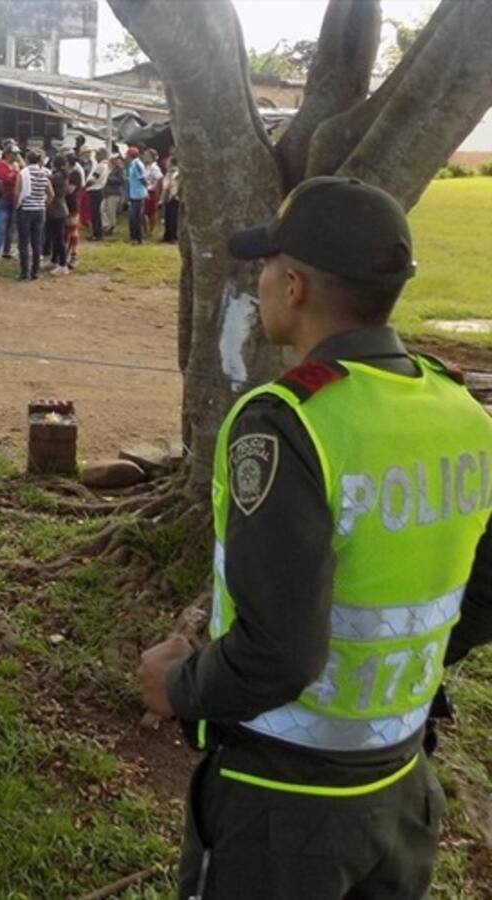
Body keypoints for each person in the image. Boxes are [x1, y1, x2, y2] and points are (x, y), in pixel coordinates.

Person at [136, 176, 492, 899]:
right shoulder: (460, 411)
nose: (262, 280)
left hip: (282, 810)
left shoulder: (289, 422)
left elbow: (279, 655)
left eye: (267, 266)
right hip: (402, 789)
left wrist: (177, 686)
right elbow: (482, 596)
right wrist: (405, 666)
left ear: (292, 285)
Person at [15, 149, 51, 281]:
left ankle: (24, 272)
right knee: (36, 242)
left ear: (28, 159)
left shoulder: (23, 173)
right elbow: (51, 193)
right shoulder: (44, 173)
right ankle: (35, 271)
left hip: (25, 209)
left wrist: (16, 205)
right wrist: (43, 204)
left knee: (23, 242)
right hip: (39, 210)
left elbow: (17, 192)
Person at [0, 147, 18, 262]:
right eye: (14, 153)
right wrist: (15, 172)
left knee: (11, 226)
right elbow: (5, 179)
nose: (16, 156)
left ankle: (7, 250)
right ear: (7, 154)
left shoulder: (15, 165)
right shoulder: (0, 165)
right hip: (3, 198)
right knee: (0, 225)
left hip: (13, 198)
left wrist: (15, 172)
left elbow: (18, 179)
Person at [45, 162, 70, 275]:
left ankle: (63, 264)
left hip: (57, 210)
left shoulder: (58, 177)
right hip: (57, 209)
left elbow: (45, 178)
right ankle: (54, 260)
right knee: (54, 237)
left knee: (59, 239)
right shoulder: (61, 175)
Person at [84, 148, 109, 241]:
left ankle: (97, 234)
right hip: (97, 190)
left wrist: (85, 186)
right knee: (95, 213)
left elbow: (93, 179)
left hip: (95, 190)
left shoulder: (101, 166)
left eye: (97, 154)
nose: (95, 156)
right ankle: (97, 233)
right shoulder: (103, 165)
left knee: (95, 214)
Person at [126, 147, 147, 245]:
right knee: (132, 217)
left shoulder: (137, 164)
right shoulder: (132, 164)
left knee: (136, 217)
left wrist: (145, 189)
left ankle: (137, 238)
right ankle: (133, 236)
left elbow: (142, 178)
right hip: (133, 193)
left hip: (138, 193)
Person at [103, 154, 126, 235]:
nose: (114, 161)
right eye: (113, 159)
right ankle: (108, 226)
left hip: (115, 192)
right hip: (107, 192)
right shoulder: (109, 169)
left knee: (111, 210)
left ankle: (112, 226)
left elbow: (121, 180)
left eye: (115, 159)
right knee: (106, 210)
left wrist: (108, 178)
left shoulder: (119, 170)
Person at [143, 148, 163, 235]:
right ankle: (145, 229)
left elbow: (159, 179)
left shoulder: (155, 168)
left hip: (152, 191)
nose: (145, 157)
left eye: (147, 155)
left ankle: (151, 230)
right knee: (144, 211)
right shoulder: (146, 167)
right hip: (145, 190)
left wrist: (157, 191)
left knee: (152, 211)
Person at [161, 156, 181, 243]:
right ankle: (167, 235)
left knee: (173, 218)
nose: (166, 164)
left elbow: (175, 185)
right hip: (168, 197)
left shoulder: (176, 173)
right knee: (167, 217)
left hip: (173, 197)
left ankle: (173, 237)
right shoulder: (169, 172)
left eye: (168, 162)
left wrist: (172, 195)